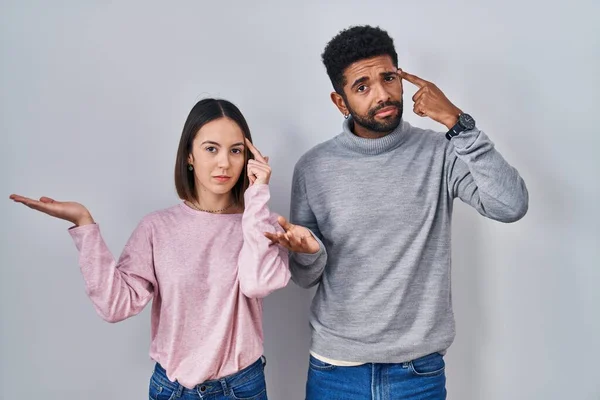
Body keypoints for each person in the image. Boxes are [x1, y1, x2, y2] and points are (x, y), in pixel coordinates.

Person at [265, 25, 529, 399]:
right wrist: (308, 253)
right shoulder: (314, 167)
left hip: (417, 371)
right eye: (362, 87)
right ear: (340, 102)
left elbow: (511, 205)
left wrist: (458, 123)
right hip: (335, 370)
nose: (383, 94)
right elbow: (305, 277)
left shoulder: (441, 152)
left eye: (389, 78)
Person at [10, 98, 290, 400]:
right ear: (189, 156)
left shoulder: (263, 223)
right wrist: (84, 224)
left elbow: (258, 282)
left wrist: (257, 194)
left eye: (235, 151)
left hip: (240, 389)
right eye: (211, 148)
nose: (224, 163)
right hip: (171, 390)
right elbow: (116, 305)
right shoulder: (157, 228)